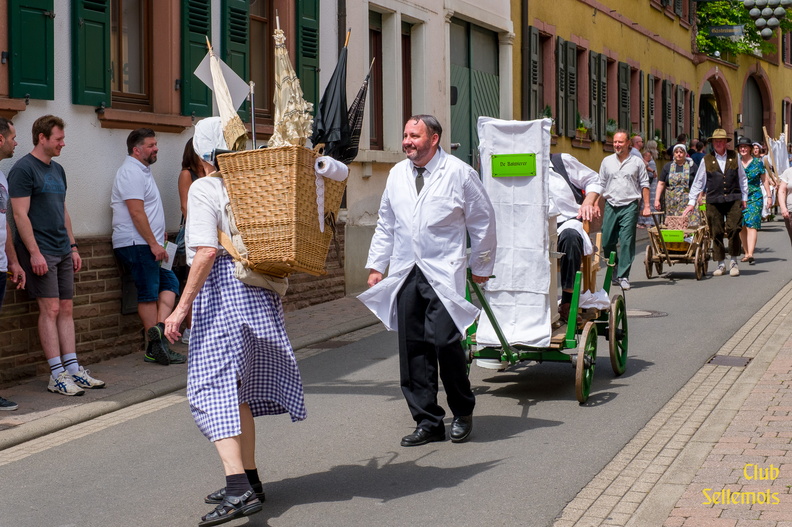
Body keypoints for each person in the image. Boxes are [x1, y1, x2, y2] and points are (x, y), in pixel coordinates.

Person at [163, 117, 305, 526]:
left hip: (223, 295)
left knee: (209, 390)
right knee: (236, 389)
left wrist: (179, 308)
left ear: (202, 153)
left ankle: (238, 489)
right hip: (258, 293)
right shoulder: (252, 183)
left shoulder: (206, 186)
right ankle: (251, 480)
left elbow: (206, 252)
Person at [360, 114, 496, 446]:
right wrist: (377, 265)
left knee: (446, 343)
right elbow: (386, 223)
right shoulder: (396, 175)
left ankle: (462, 411)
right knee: (413, 347)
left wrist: (481, 264)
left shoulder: (460, 174)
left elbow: (482, 221)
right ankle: (428, 420)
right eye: (405, 135)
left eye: (414, 136)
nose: (407, 141)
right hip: (406, 271)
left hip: (443, 272)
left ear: (433, 139)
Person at [9, 115, 105, 395]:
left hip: (62, 249)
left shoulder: (58, 170)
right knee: (49, 310)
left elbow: (63, 210)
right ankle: (56, 374)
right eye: (58, 139)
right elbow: (19, 215)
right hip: (42, 252)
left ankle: (73, 369)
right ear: (42, 138)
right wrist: (34, 253)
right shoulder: (23, 169)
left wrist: (73, 247)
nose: (63, 143)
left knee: (66, 309)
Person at [111, 129, 185, 366]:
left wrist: (157, 237)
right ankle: (155, 348)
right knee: (149, 293)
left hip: (150, 243)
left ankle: (159, 333)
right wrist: (153, 243)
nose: (156, 148)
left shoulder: (143, 170)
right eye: (151, 145)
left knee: (170, 283)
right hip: (138, 244)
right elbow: (135, 211)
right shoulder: (130, 172)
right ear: (136, 149)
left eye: (156, 144)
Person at [683, 129, 748, 276]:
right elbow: (699, 182)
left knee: (734, 229)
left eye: (721, 140)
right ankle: (720, 264)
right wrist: (691, 202)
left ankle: (733, 261)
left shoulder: (735, 156)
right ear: (712, 143)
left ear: (726, 142)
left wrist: (744, 198)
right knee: (716, 231)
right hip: (714, 200)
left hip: (733, 198)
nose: (718, 143)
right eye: (716, 141)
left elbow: (742, 178)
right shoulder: (707, 159)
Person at [548, 153, 601, 322]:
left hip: (565, 221)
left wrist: (588, 201)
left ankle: (567, 302)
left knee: (570, 237)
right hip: (534, 225)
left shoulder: (560, 161)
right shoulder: (519, 166)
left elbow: (594, 179)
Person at [599, 129, 651, 291]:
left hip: (629, 206)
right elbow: (600, 184)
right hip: (611, 205)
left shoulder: (637, 163)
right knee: (607, 241)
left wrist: (647, 206)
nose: (617, 145)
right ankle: (613, 268)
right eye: (615, 142)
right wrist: (594, 203)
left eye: (620, 142)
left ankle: (623, 275)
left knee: (627, 241)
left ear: (628, 143)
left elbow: (644, 184)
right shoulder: (606, 161)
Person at [0, 117, 25, 410]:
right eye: (13, 137)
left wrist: (13, 262)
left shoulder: (3, 177)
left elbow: (4, 224)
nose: (16, 142)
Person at [175, 138, 207, 345]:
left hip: (212, 234)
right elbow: (186, 207)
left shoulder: (210, 173)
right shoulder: (188, 174)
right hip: (196, 233)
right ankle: (190, 328)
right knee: (193, 281)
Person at [736, 137, 771, 265]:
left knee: (752, 224)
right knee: (742, 226)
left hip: (755, 196)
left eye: (745, 147)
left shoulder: (757, 163)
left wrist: (769, 196)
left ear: (750, 148)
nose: (743, 149)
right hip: (739, 198)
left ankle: (750, 253)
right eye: (741, 147)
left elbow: (764, 179)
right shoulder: (736, 162)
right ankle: (746, 252)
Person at [655, 143, 701, 227]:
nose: (679, 154)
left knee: (688, 223)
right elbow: (661, 183)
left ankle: (689, 239)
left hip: (687, 200)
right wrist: (657, 199)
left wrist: (700, 196)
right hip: (671, 203)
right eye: (676, 152)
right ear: (673, 154)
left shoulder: (692, 166)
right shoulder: (668, 166)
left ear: (685, 153)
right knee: (673, 223)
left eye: (681, 152)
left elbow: (699, 182)